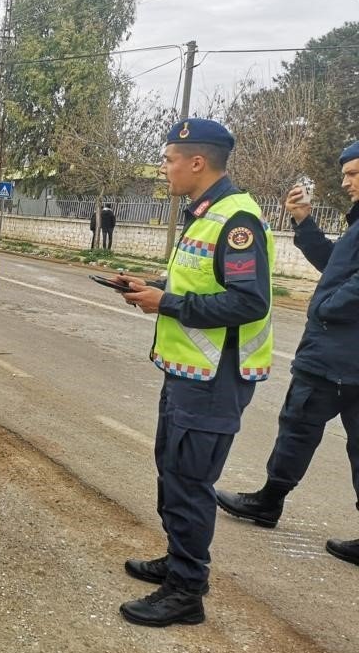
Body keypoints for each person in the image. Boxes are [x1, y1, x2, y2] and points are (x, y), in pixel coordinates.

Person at [114, 118, 274, 626]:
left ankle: (186, 592)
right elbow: (198, 282)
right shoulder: (204, 213)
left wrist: (169, 302)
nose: (165, 169)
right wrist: (152, 285)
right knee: (173, 471)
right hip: (188, 371)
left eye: (168, 160)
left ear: (197, 162)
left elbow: (248, 302)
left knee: (189, 481)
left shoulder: (237, 220)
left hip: (214, 378)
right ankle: (179, 562)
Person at [216, 141, 359, 566]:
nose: (345, 181)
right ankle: (269, 501)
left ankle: (268, 501)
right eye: (346, 173)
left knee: (298, 426)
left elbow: (348, 287)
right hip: (343, 356)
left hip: (335, 357)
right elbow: (336, 266)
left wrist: (325, 308)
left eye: (354, 173)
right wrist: (305, 223)